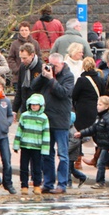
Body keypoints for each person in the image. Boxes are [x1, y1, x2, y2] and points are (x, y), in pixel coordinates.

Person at [30, 53, 74, 194]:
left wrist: (51, 79)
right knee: (47, 154)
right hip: (47, 120)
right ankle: (48, 183)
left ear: (61, 64)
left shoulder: (68, 76)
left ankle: (62, 184)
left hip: (61, 121)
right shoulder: (47, 75)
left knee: (62, 154)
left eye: (54, 66)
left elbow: (63, 93)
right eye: (50, 65)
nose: (52, 68)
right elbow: (33, 87)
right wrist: (43, 76)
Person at [13, 94, 49, 194]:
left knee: (37, 167)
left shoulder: (44, 118)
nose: (34, 106)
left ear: (40, 105)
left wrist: (45, 149)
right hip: (25, 145)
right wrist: (16, 144)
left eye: (36, 105)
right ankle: (24, 185)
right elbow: (19, 131)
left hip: (37, 147)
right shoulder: (24, 116)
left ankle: (37, 185)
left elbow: (46, 134)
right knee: (23, 167)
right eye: (32, 104)